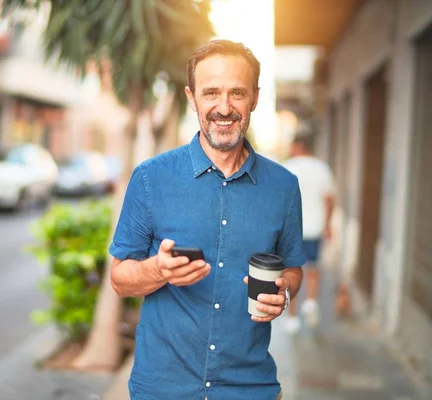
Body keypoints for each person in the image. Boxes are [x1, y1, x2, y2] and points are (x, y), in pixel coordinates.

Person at [109, 40, 306, 400]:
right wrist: (158, 271)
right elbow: (120, 279)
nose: (224, 107)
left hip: (250, 388)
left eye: (237, 93)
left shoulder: (284, 187)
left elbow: (293, 268)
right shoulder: (151, 178)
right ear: (192, 97)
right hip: (163, 389)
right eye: (211, 92)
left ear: (256, 98)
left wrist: (284, 294)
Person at [282, 134, 335, 333]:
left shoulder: (287, 167)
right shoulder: (322, 169)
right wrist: (328, 224)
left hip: (292, 229)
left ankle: (292, 318)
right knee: (312, 269)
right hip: (314, 227)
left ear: (296, 146)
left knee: (290, 271)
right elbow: (329, 199)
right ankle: (311, 303)